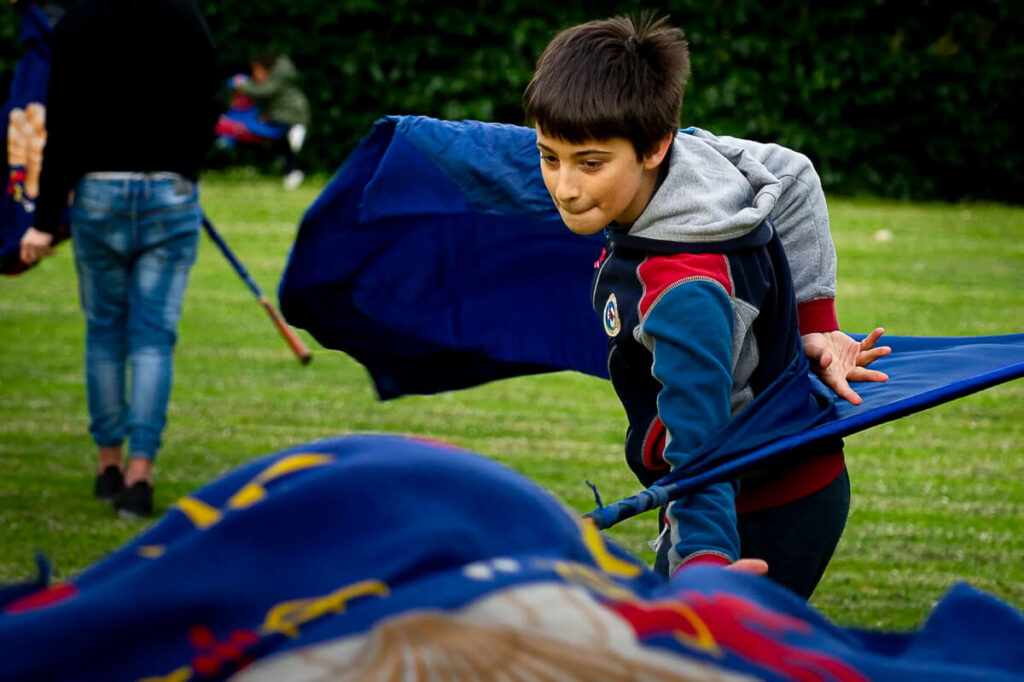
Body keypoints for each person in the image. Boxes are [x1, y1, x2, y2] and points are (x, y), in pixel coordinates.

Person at [523, 13, 889, 598]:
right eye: (548, 157)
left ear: (653, 146)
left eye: (589, 163)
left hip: (761, 508)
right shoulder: (690, 159)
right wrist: (813, 325)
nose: (565, 186)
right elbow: (792, 174)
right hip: (750, 486)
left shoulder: (683, 293)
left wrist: (702, 560)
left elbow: (701, 443)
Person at [19, 0, 221, 517]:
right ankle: (140, 475)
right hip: (170, 193)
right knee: (154, 339)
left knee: (105, 333)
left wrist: (43, 221)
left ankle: (108, 466)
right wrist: (186, 165)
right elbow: (209, 102)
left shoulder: (81, 18)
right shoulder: (183, 14)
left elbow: (60, 126)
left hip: (100, 194)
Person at [231, 51, 310, 190]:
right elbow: (267, 101)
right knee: (285, 146)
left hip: (292, 114)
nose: (255, 74)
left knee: (283, 137)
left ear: (267, 68)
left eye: (257, 70)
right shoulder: (276, 78)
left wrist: (242, 86)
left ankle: (296, 129)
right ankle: (291, 173)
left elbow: (264, 91)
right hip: (280, 114)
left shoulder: (278, 79)